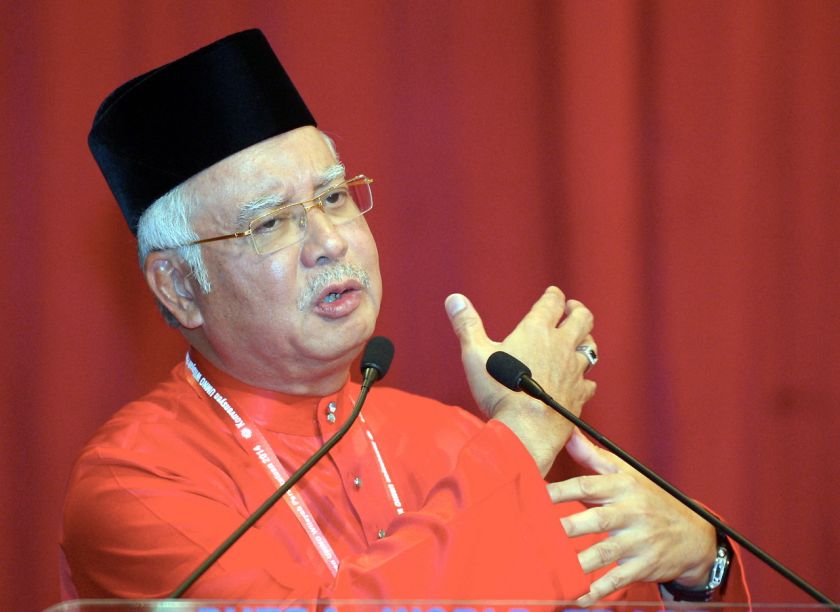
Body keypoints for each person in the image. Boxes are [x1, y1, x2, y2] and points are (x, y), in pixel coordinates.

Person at [61, 29, 749, 606]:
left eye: (333, 197)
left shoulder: (452, 441)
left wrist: (700, 565)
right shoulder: (134, 483)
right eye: (270, 221)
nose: (330, 240)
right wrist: (523, 434)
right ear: (179, 285)